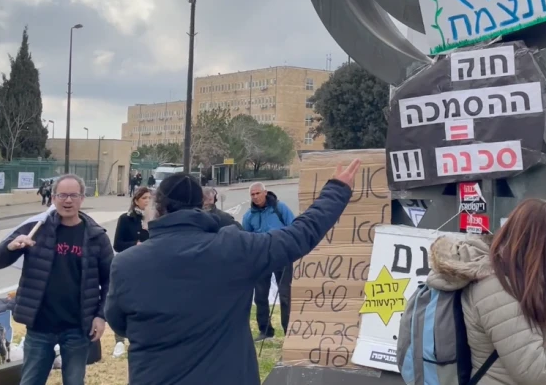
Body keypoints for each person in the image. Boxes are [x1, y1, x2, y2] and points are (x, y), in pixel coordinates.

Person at [104, 160, 361, 385]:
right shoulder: (234, 248)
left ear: (158, 208)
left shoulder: (127, 263)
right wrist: (336, 191)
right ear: (200, 207)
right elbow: (299, 235)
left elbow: (118, 323)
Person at [426, 199, 546, 385]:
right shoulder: (496, 288)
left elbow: (524, 341)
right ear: (539, 249)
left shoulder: (511, 279)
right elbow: (532, 367)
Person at [0, 174, 113, 385]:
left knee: (74, 381)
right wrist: (11, 246)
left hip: (77, 328)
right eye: (62, 195)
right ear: (53, 198)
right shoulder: (37, 229)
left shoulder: (96, 236)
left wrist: (101, 316)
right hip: (40, 327)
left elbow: (111, 280)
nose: (68, 201)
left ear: (82, 198)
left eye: (74, 195)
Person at [242, 181, 296, 340]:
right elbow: (246, 237)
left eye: (258, 193)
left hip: (281, 255)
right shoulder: (248, 215)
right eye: (252, 194)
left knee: (285, 295)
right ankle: (265, 330)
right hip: (261, 257)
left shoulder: (280, 208)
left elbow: (293, 227)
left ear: (265, 192)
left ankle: (288, 330)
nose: (255, 197)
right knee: (260, 295)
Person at [110, 187, 151, 358]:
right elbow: (117, 244)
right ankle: (119, 340)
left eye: (150, 198)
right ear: (136, 200)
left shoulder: (155, 218)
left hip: (149, 265)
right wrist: (135, 245)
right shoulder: (126, 219)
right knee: (125, 300)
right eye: (144, 198)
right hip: (131, 263)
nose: (148, 201)